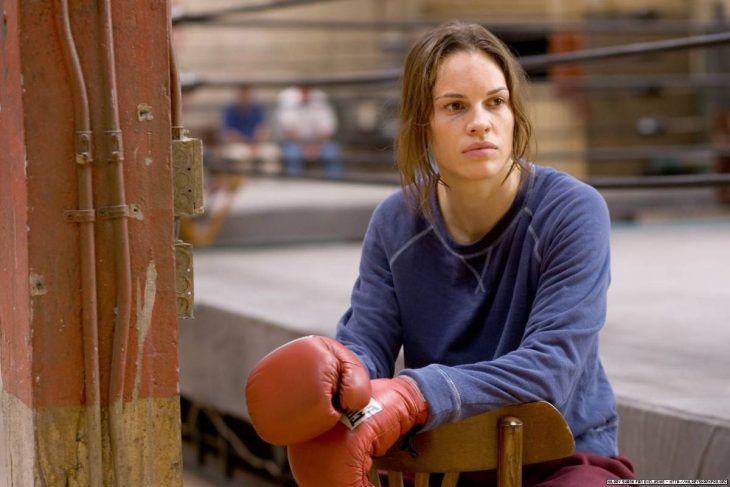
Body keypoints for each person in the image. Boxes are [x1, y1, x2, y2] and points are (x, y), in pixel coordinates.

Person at [246, 22, 635, 486]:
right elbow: (368, 343)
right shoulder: (396, 221)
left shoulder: (571, 211)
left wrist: (414, 393)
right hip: (438, 462)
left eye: (495, 102)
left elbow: (552, 368)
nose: (480, 121)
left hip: (561, 459)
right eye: (455, 106)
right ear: (422, 124)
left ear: (514, 114)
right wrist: (338, 382)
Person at [275, 84, 343, 177]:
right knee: (292, 155)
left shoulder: (320, 97)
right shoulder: (287, 97)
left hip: (319, 142)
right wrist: (304, 146)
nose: (305, 92)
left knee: (332, 152)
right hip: (295, 142)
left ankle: (336, 186)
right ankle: (295, 186)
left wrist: (316, 146)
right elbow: (288, 130)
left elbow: (328, 128)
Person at [219, 86, 279, 173]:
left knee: (272, 152)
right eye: (242, 94)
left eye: (247, 94)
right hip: (239, 144)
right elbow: (230, 134)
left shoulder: (257, 109)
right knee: (239, 154)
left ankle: (269, 183)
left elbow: (262, 130)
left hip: (256, 144)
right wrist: (248, 145)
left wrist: (255, 146)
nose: (245, 97)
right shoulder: (230, 110)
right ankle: (244, 183)